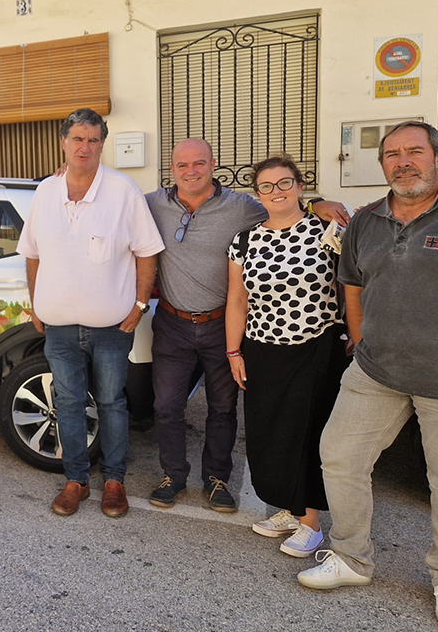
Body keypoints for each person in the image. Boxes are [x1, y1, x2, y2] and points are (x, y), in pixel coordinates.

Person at [296, 122, 438, 630]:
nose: (403, 162)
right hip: (376, 369)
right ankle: (351, 558)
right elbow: (352, 286)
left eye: (414, 151)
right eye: (392, 154)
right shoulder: (366, 220)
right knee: (340, 456)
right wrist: (361, 340)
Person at [144, 139, 350, 513]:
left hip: (221, 321)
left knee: (222, 407)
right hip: (172, 323)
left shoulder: (242, 207)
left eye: (199, 163)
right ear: (171, 169)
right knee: (166, 406)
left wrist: (317, 203)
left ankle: (217, 479)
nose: (191, 171)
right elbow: (113, 205)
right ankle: (172, 475)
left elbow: (285, 204)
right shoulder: (152, 204)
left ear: (214, 164)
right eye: (182, 165)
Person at [17, 108, 164, 518]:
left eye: (94, 139)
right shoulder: (46, 191)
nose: (85, 147)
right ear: (64, 142)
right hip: (59, 327)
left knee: (113, 403)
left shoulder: (123, 190)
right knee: (67, 403)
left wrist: (138, 304)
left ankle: (114, 480)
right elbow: (31, 254)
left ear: (103, 143)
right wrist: (36, 302)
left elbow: (146, 251)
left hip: (112, 326)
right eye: (78, 139)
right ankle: (76, 480)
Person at [225, 155, 349, 558]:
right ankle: (288, 509)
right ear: (256, 193)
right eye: (267, 186)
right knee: (270, 433)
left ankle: (311, 521)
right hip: (262, 348)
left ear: (300, 186)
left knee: (308, 432)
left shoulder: (328, 230)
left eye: (284, 183)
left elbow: (352, 284)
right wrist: (233, 351)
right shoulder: (244, 240)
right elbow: (237, 301)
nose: (276, 192)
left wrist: (355, 333)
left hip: (315, 346)